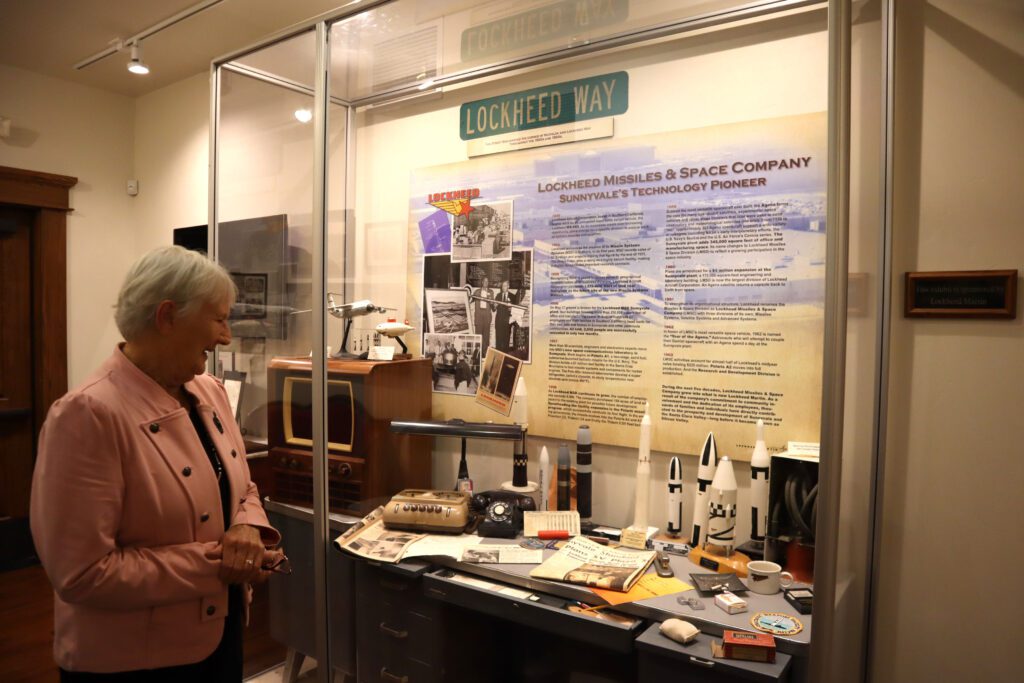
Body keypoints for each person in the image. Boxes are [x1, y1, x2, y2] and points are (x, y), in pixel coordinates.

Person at [31, 246, 283, 682]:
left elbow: (242, 486)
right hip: (135, 664)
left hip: (218, 638)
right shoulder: (88, 413)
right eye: (219, 318)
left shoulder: (210, 391)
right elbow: (81, 573)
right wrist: (219, 564)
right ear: (167, 317)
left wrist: (246, 528)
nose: (226, 336)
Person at [493, 280, 519, 353]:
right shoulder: (498, 295)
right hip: (499, 322)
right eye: (502, 286)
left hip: (507, 322)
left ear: (508, 286)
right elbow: (494, 309)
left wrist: (512, 309)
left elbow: (516, 310)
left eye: (504, 286)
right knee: (498, 341)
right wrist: (494, 306)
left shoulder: (513, 297)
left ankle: (505, 358)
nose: (503, 287)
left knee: (506, 341)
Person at [473, 276, 494, 351]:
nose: (486, 283)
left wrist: (491, 301)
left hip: (487, 316)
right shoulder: (476, 291)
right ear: (482, 282)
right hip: (479, 316)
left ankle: (485, 353)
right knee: (478, 335)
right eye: (485, 281)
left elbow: (493, 306)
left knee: (486, 336)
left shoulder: (491, 292)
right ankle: (478, 353)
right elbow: (470, 300)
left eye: (487, 281)